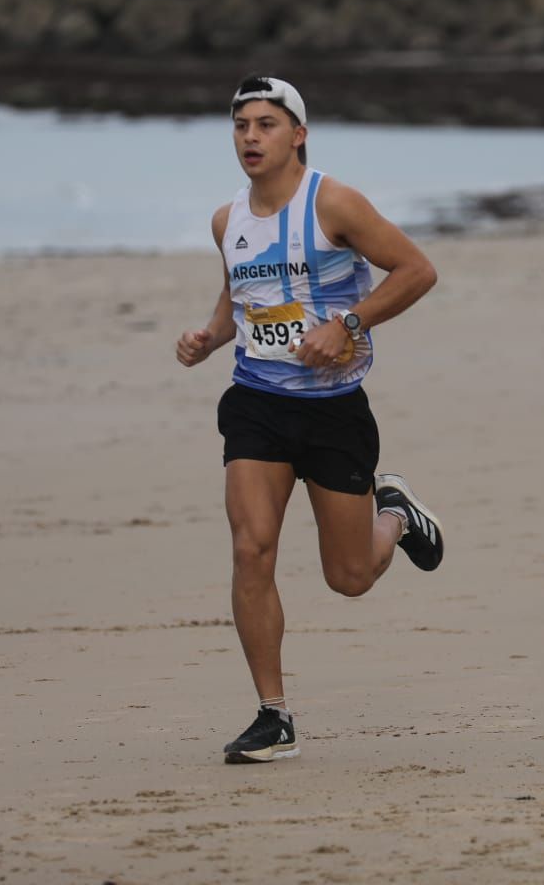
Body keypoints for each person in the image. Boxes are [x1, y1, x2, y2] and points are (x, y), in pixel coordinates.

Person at [174, 74, 445, 764]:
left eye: (266, 125)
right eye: (241, 127)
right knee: (250, 548)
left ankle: (397, 514)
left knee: (350, 578)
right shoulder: (224, 219)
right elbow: (242, 292)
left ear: (297, 134)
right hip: (257, 405)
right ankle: (274, 717)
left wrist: (347, 322)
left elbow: (416, 270)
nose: (251, 139)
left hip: (333, 413)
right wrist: (210, 336)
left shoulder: (336, 203)